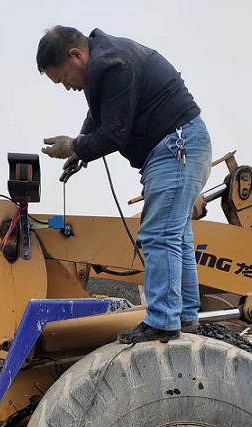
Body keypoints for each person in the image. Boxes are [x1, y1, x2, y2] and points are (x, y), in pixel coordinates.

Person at [37, 26, 212, 344]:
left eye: (64, 78)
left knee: (160, 234)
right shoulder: (104, 63)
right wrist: (81, 152)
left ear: (77, 55)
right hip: (181, 146)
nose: (68, 87)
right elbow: (98, 118)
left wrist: (74, 145)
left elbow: (113, 133)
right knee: (177, 236)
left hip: (176, 147)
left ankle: (163, 320)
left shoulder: (111, 64)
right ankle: (184, 316)